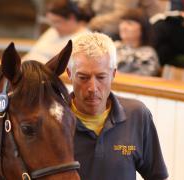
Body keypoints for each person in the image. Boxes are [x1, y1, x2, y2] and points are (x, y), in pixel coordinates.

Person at [66, 32, 168, 180]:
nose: (93, 88)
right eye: (83, 77)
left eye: (101, 77)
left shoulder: (137, 115)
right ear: (69, 73)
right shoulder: (54, 121)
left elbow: (157, 176)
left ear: (113, 74)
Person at [22, 0, 94, 63]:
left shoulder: (85, 39)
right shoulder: (53, 31)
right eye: (51, 22)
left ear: (72, 18)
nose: (54, 26)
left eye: (57, 22)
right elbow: (33, 52)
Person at [115, 9, 160, 76]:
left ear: (142, 29)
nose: (123, 27)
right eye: (122, 22)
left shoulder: (148, 54)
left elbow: (142, 79)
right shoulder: (112, 46)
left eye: (129, 23)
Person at [88, 0, 164, 39]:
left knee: (103, 36)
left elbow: (122, 14)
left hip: (148, 23)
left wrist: (96, 21)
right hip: (109, 21)